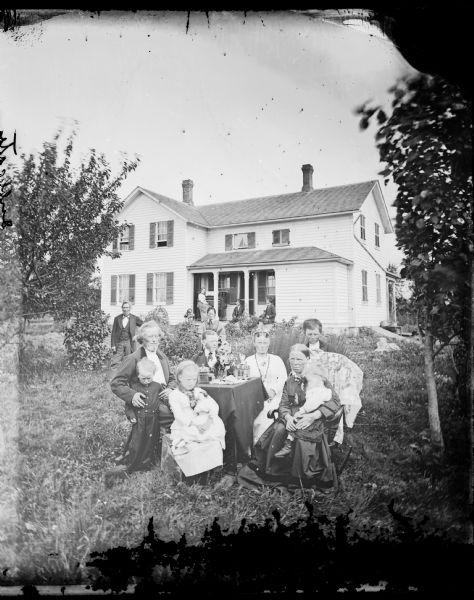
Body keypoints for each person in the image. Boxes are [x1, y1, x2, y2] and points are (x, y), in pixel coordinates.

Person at [238, 344, 341, 495]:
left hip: (312, 419)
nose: (295, 362)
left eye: (299, 359)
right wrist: (287, 417)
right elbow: (284, 405)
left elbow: (335, 402)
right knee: (279, 430)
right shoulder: (290, 381)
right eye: (292, 359)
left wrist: (315, 415)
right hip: (292, 417)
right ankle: (273, 472)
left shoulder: (318, 377)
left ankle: (299, 479)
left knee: (302, 439)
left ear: (307, 358)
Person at [111, 320, 177, 462]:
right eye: (150, 337)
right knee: (175, 417)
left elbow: (172, 377)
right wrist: (132, 395)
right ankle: (157, 453)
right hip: (147, 402)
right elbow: (116, 383)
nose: (154, 340)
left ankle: (172, 451)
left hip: (164, 397)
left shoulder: (161, 356)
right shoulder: (133, 358)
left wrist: (171, 388)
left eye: (157, 336)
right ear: (142, 339)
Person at [168, 361, 226, 479]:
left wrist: (209, 421)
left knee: (215, 429)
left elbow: (214, 406)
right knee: (191, 436)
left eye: (194, 379)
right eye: (188, 379)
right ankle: (195, 474)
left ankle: (211, 469)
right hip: (186, 423)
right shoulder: (174, 395)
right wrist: (194, 424)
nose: (191, 383)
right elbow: (179, 416)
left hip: (201, 421)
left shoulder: (198, 391)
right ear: (179, 377)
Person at [274, 361, 332, 458]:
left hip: (314, 415)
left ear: (320, 378)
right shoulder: (314, 386)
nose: (310, 383)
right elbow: (285, 403)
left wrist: (302, 411)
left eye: (312, 381)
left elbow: (311, 404)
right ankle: (287, 445)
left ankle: (289, 445)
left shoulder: (320, 391)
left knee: (299, 424)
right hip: (306, 411)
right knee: (283, 427)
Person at [121, 358, 166, 472]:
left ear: (153, 375)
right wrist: (131, 416)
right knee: (136, 442)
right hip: (139, 420)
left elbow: (162, 401)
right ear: (138, 375)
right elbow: (128, 405)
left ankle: (146, 465)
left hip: (153, 420)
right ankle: (132, 464)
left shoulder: (157, 386)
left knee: (150, 442)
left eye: (149, 378)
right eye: (143, 378)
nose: (146, 381)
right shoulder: (134, 387)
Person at [244, 330, 287, 444]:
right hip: (256, 397)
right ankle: (256, 446)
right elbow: (245, 381)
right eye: (259, 342)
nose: (262, 346)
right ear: (254, 343)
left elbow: (283, 378)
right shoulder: (248, 360)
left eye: (264, 343)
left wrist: (273, 391)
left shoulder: (277, 359)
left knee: (270, 411)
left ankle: (270, 445)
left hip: (274, 396)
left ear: (269, 344)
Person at [110, 302, 143, 369]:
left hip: (129, 342)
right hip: (119, 342)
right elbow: (113, 332)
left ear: (130, 308)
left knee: (129, 360)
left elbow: (143, 325)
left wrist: (139, 336)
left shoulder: (134, 318)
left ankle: (128, 376)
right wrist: (113, 345)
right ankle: (114, 376)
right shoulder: (117, 318)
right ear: (122, 308)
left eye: (127, 307)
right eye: (124, 307)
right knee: (116, 360)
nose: (125, 309)